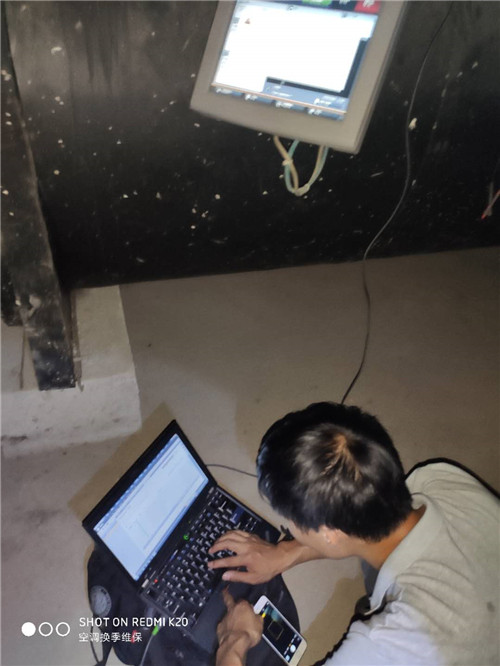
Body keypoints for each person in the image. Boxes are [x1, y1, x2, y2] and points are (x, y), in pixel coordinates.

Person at [210, 402, 499, 665]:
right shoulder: (439, 478)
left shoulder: (386, 642)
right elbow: (360, 518)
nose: (291, 531)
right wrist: (285, 553)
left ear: (330, 533)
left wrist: (233, 642)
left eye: (290, 524)